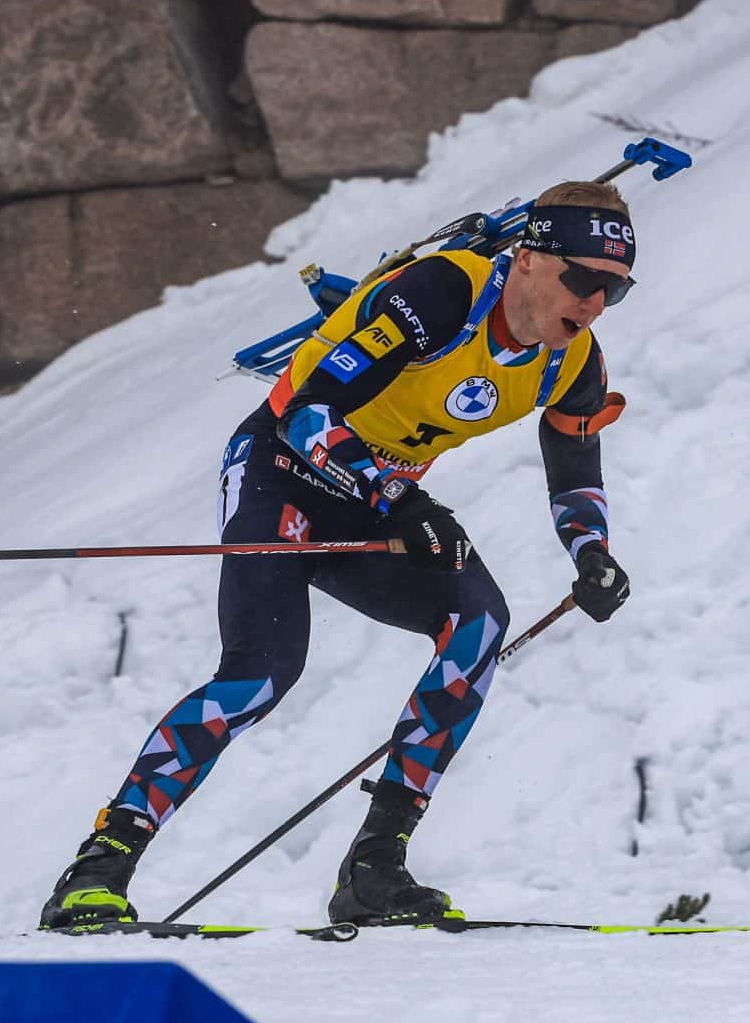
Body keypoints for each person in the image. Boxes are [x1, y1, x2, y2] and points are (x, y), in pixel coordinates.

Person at [40, 179, 638, 928]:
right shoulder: (440, 294)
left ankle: (375, 868)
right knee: (260, 673)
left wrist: (592, 554)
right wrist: (401, 501)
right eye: (582, 278)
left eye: (614, 291)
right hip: (279, 475)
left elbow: (577, 469)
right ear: (527, 259)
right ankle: (96, 870)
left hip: (373, 500)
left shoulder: (571, 362)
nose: (592, 303)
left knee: (477, 624)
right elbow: (303, 413)